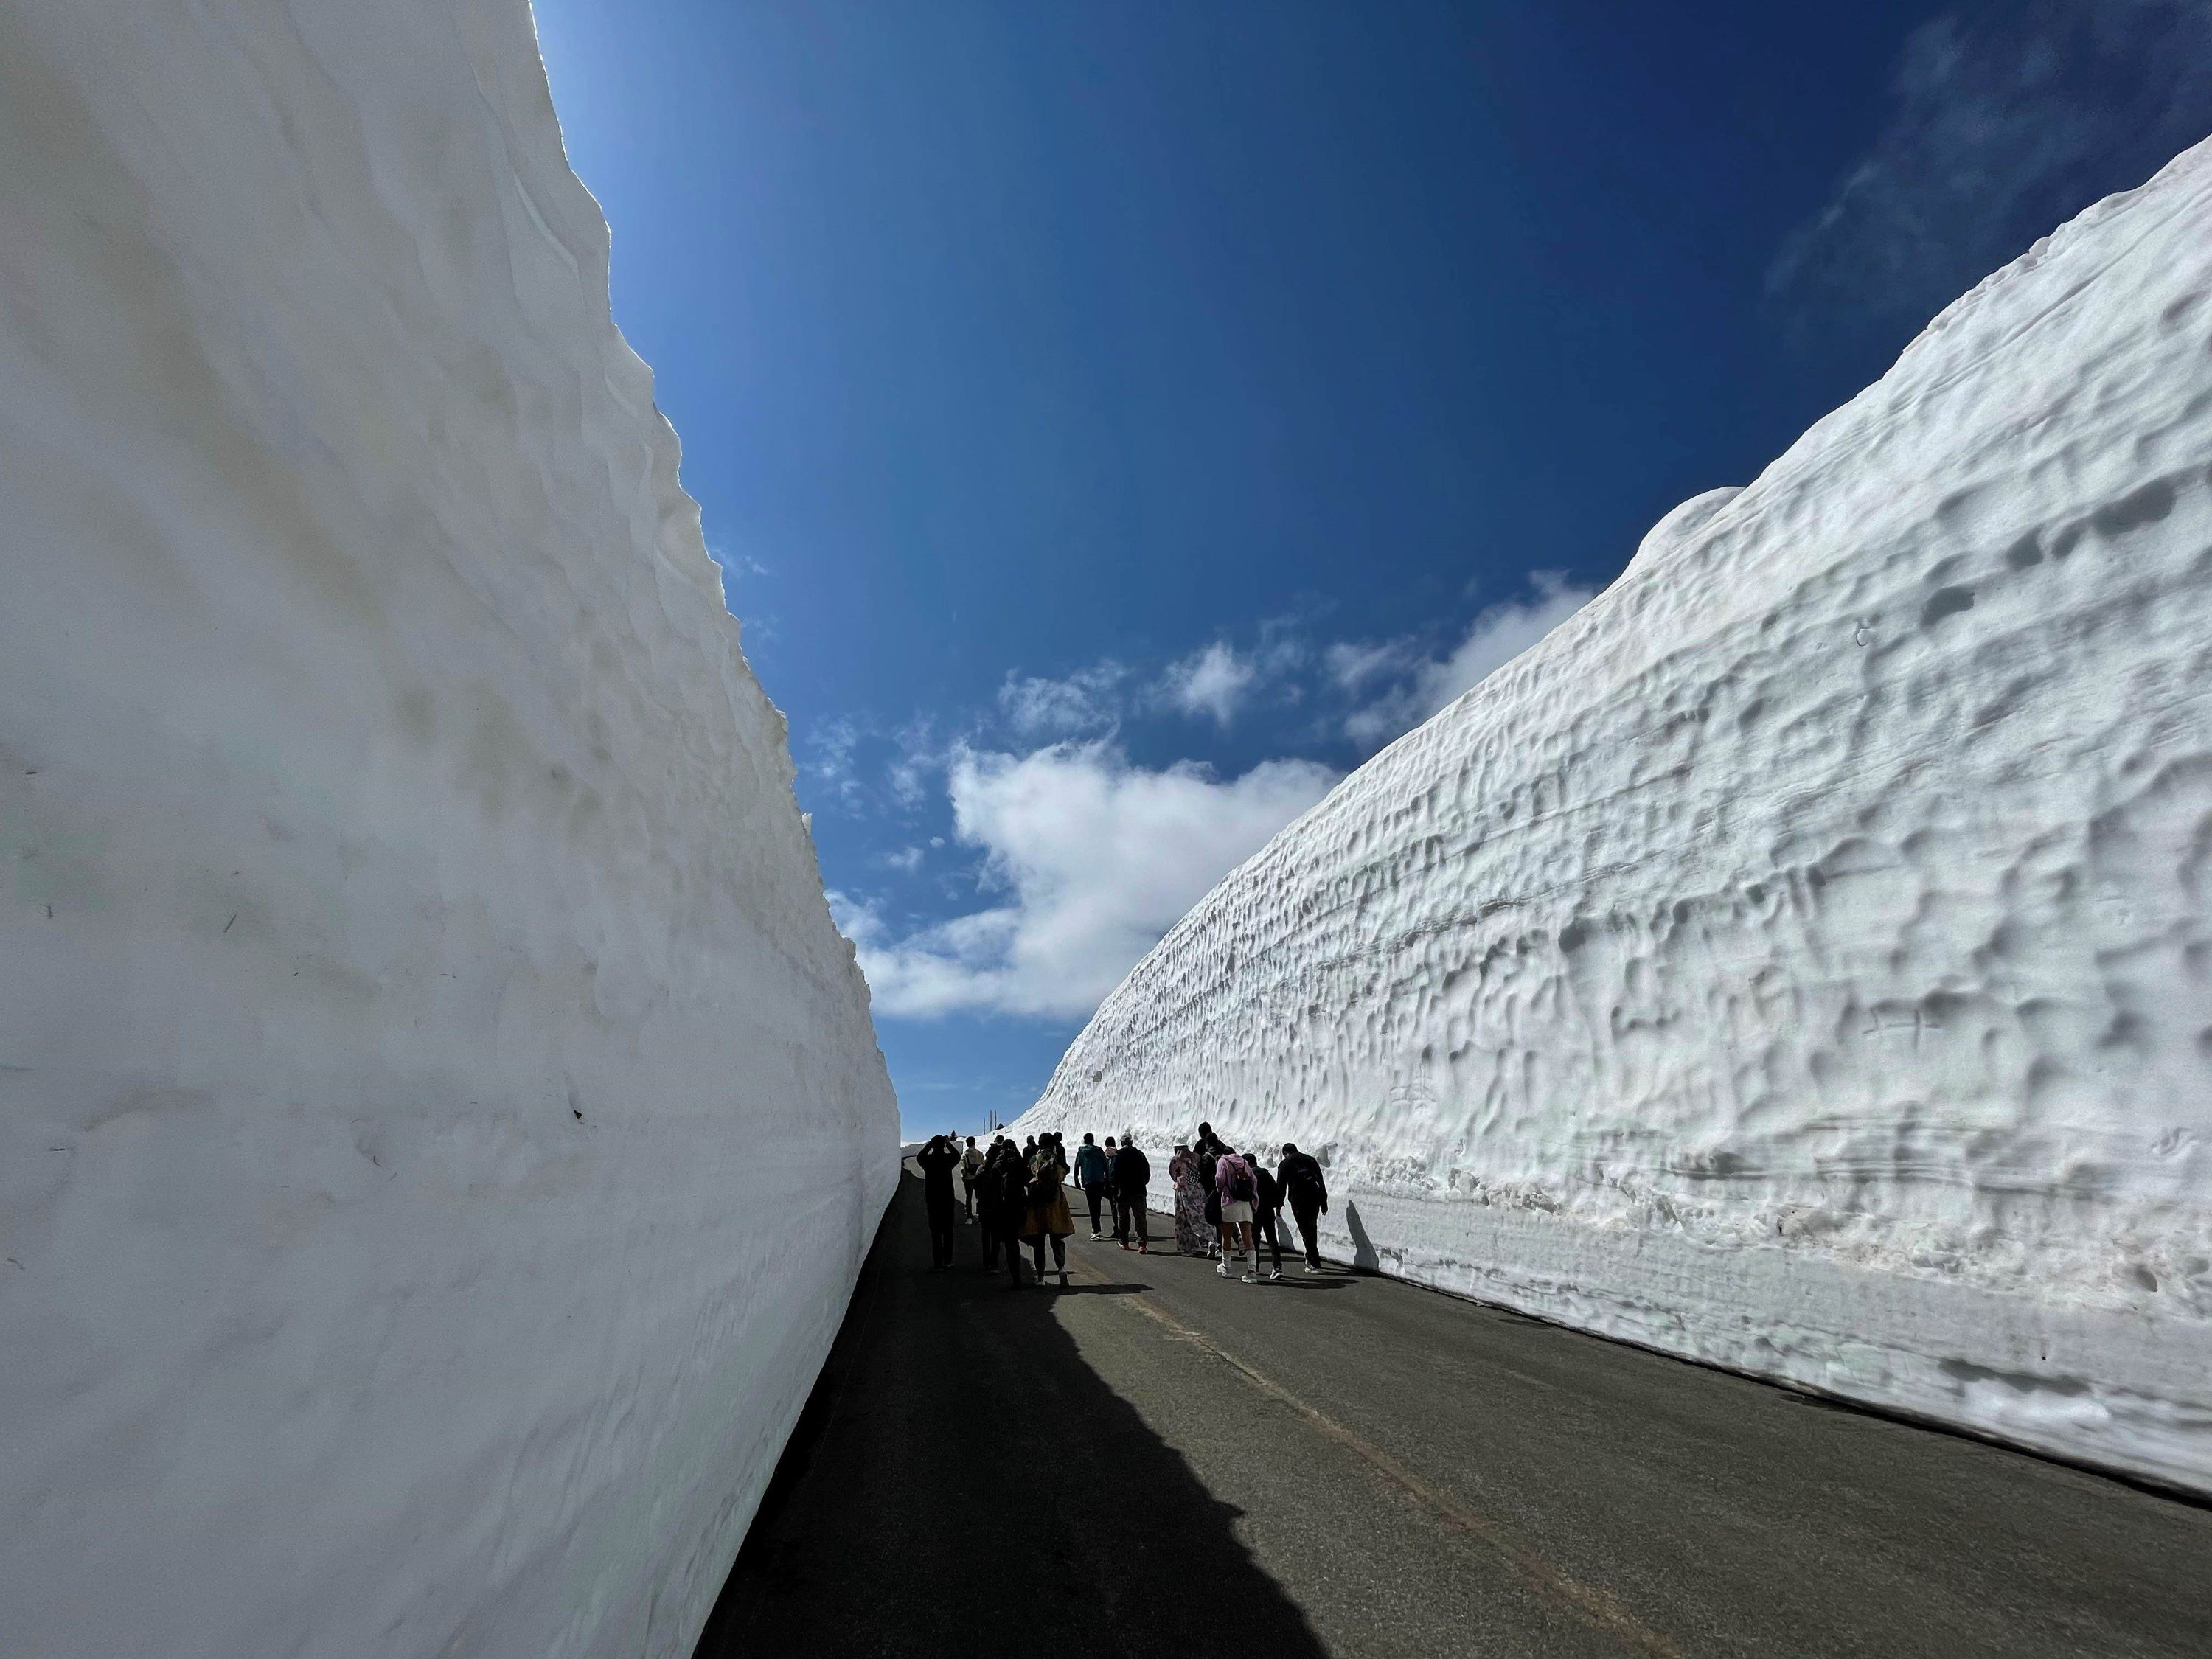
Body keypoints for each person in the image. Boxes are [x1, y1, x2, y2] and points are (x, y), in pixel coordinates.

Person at [1020, 1135, 1074, 1287]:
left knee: (1038, 1242)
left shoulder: (1033, 1160)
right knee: (1056, 1239)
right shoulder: (1056, 1159)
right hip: (1055, 1203)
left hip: (1036, 1205)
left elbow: (1025, 1178)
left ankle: (1041, 1277)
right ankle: (1062, 1269)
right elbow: (1064, 1173)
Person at [1276, 1142, 1329, 1274]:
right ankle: (1310, 1256)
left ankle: (1315, 1263)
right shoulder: (1310, 1160)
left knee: (1305, 1230)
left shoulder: (1285, 1164)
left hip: (1298, 1199)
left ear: (1285, 1153)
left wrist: (1278, 1205)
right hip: (1314, 1196)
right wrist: (1324, 1201)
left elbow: (1281, 1187)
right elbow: (1320, 1181)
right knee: (1312, 1227)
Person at [1214, 1145, 1261, 1280]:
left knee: (1226, 1236)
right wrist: (1253, 1200)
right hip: (1245, 1203)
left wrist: (1220, 1190)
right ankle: (1251, 1271)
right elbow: (1254, 1181)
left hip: (1229, 1202)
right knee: (1247, 1237)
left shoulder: (1222, 1161)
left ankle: (1226, 1267)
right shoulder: (1244, 1162)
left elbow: (1219, 1178)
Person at [916, 1135, 960, 1270]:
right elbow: (957, 1156)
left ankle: (938, 1264)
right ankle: (948, 1261)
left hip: (933, 1199)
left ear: (933, 1146)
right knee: (948, 1232)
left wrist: (930, 1144)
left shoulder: (928, 1161)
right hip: (947, 1199)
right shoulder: (948, 1160)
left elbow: (919, 1157)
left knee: (936, 1233)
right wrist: (948, 1144)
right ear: (943, 1145)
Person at [1108, 1135, 1150, 1251]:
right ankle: (1142, 1244)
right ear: (1131, 1142)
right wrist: (1143, 1183)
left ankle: (1125, 1242)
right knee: (1140, 1217)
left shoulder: (1118, 1155)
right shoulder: (1140, 1154)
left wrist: (1114, 1189)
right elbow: (1147, 1172)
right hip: (1139, 1191)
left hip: (1123, 1192)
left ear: (1121, 1142)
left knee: (1123, 1217)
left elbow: (1113, 1174)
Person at [1169, 1142, 1208, 1256]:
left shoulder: (1175, 1160)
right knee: (1199, 1216)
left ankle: (1187, 1247)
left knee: (1184, 1219)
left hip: (1183, 1191)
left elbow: (1173, 1174)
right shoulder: (1195, 1157)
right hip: (1197, 1189)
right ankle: (1208, 1240)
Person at [1251, 1156, 1284, 1282]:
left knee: (1255, 1238)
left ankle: (1255, 1265)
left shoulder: (1250, 1175)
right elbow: (1276, 1191)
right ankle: (1277, 1267)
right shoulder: (1267, 1175)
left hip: (1254, 1211)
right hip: (1268, 1210)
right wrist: (1277, 1206)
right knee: (1272, 1239)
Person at [1073, 1133, 1110, 1239]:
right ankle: (1097, 1229)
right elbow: (1105, 1165)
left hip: (1088, 1181)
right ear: (1093, 1140)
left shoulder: (1081, 1152)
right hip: (1099, 1181)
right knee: (1097, 1205)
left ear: (1085, 1141)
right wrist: (1107, 1180)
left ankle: (1096, 1230)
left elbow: (1077, 1166)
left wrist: (1076, 1180)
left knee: (1091, 1205)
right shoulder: (1099, 1151)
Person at [960, 1135, 984, 1224]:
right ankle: (980, 1216)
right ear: (974, 1143)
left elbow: (963, 1169)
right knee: (980, 1197)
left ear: (967, 1144)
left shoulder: (965, 1155)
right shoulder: (980, 1154)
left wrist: (964, 1177)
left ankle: (969, 1217)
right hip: (979, 1178)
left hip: (969, 1178)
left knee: (969, 1197)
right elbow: (983, 1166)